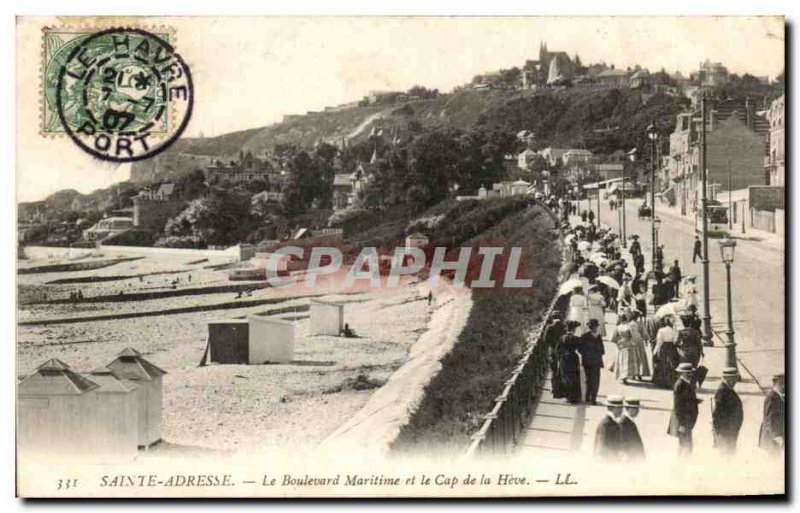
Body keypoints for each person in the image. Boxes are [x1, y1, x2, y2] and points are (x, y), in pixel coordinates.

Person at [668, 363, 701, 456]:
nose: (690, 375)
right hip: (683, 421)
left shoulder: (687, 383)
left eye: (691, 373)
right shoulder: (679, 385)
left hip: (687, 421)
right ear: (681, 373)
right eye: (687, 373)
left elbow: (686, 399)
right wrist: (682, 424)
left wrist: (695, 401)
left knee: (685, 446)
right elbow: (678, 406)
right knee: (686, 446)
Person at [712, 367, 744, 456]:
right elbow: (716, 416)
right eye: (733, 378)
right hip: (726, 434)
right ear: (727, 378)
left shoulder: (727, 389)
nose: (735, 381)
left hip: (730, 433)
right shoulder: (722, 392)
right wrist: (720, 435)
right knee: (727, 458)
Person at [579, 318, 605, 405]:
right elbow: (602, 350)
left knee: (588, 379)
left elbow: (580, 349)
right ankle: (593, 399)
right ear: (595, 327)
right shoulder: (598, 337)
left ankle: (587, 397)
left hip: (587, 361)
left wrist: (586, 355)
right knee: (595, 380)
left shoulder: (583, 336)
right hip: (596, 361)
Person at [759, 373, 785, 456]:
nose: (783, 386)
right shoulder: (772, 398)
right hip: (772, 438)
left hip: (776, 437)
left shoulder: (779, 396)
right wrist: (777, 436)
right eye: (781, 384)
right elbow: (770, 419)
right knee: (772, 462)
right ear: (775, 384)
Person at [557, 321, 583, 404]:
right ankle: (573, 397)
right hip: (573, 358)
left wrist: (560, 357)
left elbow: (557, 350)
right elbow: (581, 349)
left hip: (564, 359)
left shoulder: (562, 338)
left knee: (565, 377)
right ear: (574, 330)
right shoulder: (576, 338)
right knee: (574, 376)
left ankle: (567, 396)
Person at [652, 317, 680, 389]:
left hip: (663, 348)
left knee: (663, 364)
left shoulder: (661, 330)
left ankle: (663, 382)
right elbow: (675, 341)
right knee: (672, 365)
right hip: (672, 348)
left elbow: (659, 342)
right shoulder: (675, 331)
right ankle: (671, 382)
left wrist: (655, 351)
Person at [594, 395, 624, 460]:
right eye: (621, 408)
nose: (622, 411)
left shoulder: (612, 422)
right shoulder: (606, 424)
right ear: (615, 408)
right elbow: (602, 448)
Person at [543, 313, 566, 399]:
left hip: (552, 351)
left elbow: (545, 340)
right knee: (561, 369)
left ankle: (554, 389)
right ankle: (560, 390)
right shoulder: (563, 326)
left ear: (552, 318)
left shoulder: (550, 327)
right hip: (562, 351)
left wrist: (552, 345)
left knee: (554, 370)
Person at [610, 313, 637, 385]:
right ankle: (624, 378)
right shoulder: (628, 327)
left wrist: (618, 342)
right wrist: (632, 343)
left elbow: (612, 339)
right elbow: (632, 337)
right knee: (626, 362)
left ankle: (620, 376)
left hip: (620, 345)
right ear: (626, 319)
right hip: (627, 345)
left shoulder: (617, 328)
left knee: (620, 361)